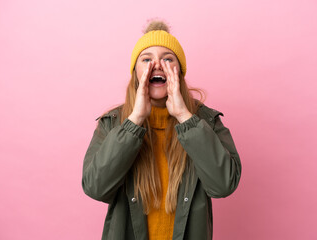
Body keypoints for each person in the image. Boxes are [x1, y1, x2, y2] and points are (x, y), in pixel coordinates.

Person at [82, 20, 241, 240]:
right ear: (135, 72)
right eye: (146, 60)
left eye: (167, 59)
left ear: (180, 72)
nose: (157, 65)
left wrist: (186, 119)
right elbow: (95, 187)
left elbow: (224, 184)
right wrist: (134, 121)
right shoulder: (113, 123)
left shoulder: (205, 121)